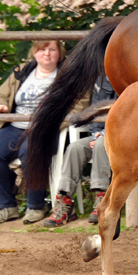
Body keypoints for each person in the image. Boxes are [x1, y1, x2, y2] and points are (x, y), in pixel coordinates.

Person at [0, 40, 88, 224]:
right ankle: (5, 206)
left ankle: (36, 206)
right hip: (16, 125)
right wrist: (1, 105)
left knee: (29, 150)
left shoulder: (68, 73)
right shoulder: (22, 71)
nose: (47, 54)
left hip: (48, 128)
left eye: (52, 49)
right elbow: (1, 94)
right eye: (42, 49)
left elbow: (81, 102)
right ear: (34, 52)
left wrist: (54, 121)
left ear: (60, 53)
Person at [44, 76, 117, 227]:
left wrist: (104, 135)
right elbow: (94, 110)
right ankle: (65, 204)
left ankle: (102, 202)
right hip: (100, 134)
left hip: (122, 138)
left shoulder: (129, 80)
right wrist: (97, 132)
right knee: (75, 148)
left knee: (100, 145)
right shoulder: (101, 80)